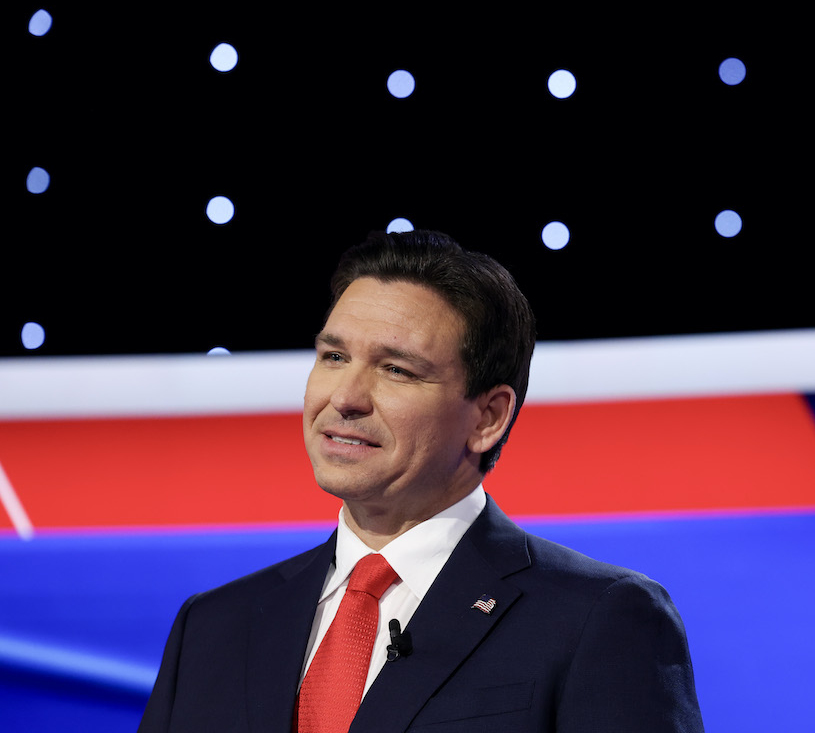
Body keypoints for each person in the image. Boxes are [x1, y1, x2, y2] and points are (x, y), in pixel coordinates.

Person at [138, 230, 705, 732]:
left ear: (487, 417)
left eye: (396, 370)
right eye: (334, 357)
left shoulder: (600, 617)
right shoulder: (212, 626)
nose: (345, 398)